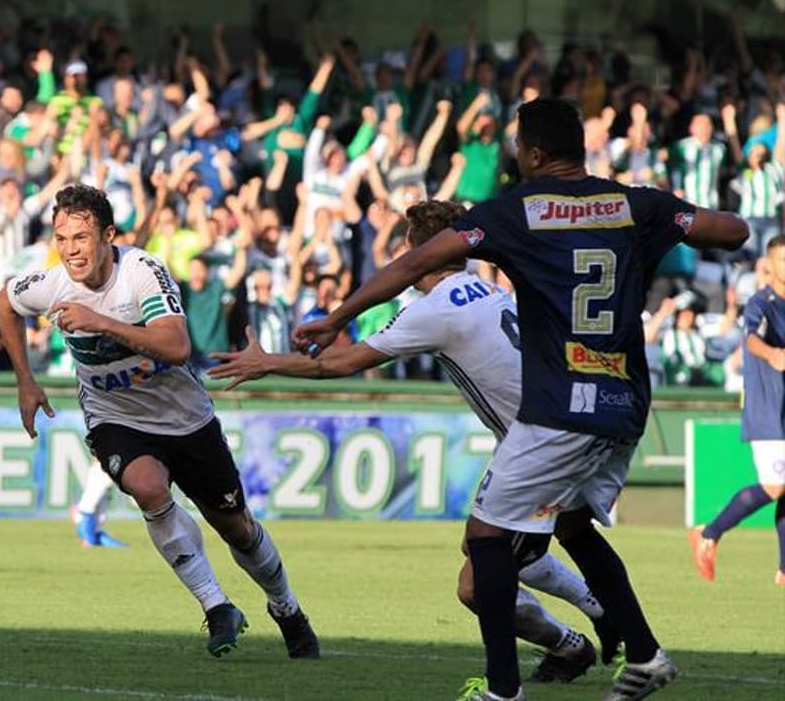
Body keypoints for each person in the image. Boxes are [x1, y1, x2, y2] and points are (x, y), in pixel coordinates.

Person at [293, 98, 748, 700]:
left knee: (485, 541)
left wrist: (339, 315)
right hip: (627, 402)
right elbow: (733, 230)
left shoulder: (518, 211)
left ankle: (504, 691)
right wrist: (669, 220)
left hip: (561, 404)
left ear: (532, 153)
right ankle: (644, 654)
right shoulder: (637, 204)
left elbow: (421, 260)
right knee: (575, 527)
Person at [210, 216, 618, 684]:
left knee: (477, 584)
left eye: (407, 254)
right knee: (496, 543)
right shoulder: (483, 287)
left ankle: (581, 636)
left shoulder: (438, 308)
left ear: (421, 255)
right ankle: (588, 628)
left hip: (539, 447)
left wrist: (268, 363)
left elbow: (343, 363)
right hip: (543, 435)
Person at [0, 184, 318, 659]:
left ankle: (286, 608)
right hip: (115, 418)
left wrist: (101, 322)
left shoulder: (143, 271)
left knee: (236, 528)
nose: (70, 250)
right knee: (147, 487)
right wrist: (25, 379)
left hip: (185, 418)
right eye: (62, 238)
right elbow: (6, 304)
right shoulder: (49, 283)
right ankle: (216, 606)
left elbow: (176, 346)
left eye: (81, 238)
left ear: (108, 236)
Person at [690, 235, 785, 585]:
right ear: (769, 265)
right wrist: (773, 354)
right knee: (775, 486)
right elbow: (751, 339)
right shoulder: (763, 302)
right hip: (768, 408)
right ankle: (709, 532)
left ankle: (784, 571)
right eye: (783, 260)